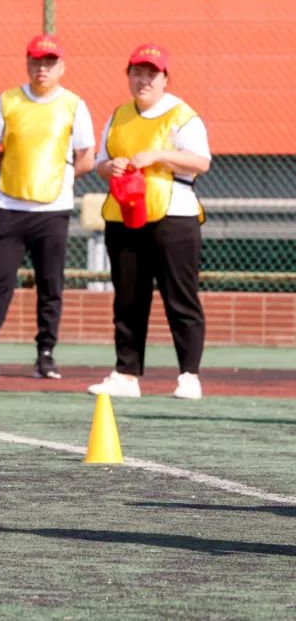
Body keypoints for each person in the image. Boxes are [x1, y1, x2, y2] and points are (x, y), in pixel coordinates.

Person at [0, 35, 95, 380]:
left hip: (53, 211)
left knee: (50, 284)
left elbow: (86, 156)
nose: (43, 68)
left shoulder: (73, 104)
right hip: (10, 207)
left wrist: (60, 178)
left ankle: (46, 355)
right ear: (28, 64)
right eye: (36, 61)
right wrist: (13, 172)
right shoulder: (7, 100)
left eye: (50, 62)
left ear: (61, 67)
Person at [88, 43, 211, 400]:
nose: (144, 80)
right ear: (128, 76)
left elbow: (201, 162)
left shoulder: (183, 116)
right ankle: (126, 374)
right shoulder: (119, 115)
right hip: (124, 214)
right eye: (137, 73)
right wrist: (110, 167)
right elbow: (100, 162)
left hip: (173, 217)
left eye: (152, 74)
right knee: (128, 297)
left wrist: (157, 155)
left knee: (180, 297)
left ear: (165, 79)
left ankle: (189, 375)